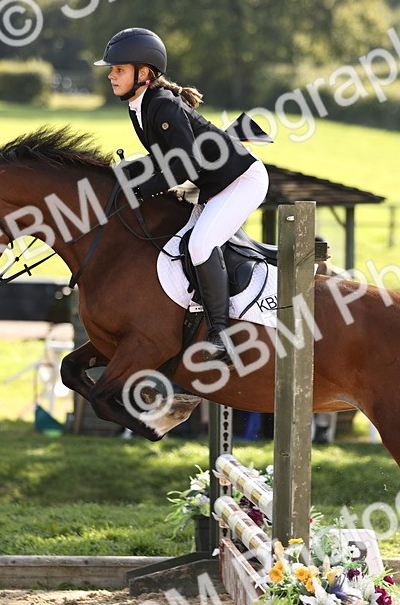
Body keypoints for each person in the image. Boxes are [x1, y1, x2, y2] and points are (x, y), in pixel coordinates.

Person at [95, 27, 269, 365]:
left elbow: (184, 164)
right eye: (111, 70)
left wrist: (139, 188)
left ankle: (222, 334)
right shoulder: (140, 105)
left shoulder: (161, 103)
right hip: (215, 184)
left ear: (143, 73)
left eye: (118, 69)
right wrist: (123, 175)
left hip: (241, 179)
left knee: (200, 245)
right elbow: (164, 159)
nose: (111, 76)